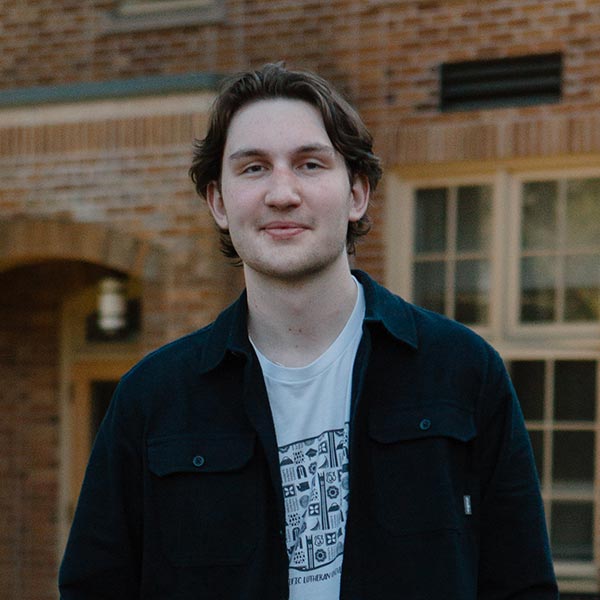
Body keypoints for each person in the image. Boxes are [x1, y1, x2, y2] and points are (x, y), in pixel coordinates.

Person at [59, 63, 558, 599]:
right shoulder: (152, 398)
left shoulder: (461, 371)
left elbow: (521, 585)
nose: (282, 193)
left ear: (357, 195)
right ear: (219, 203)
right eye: (253, 168)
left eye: (310, 164)